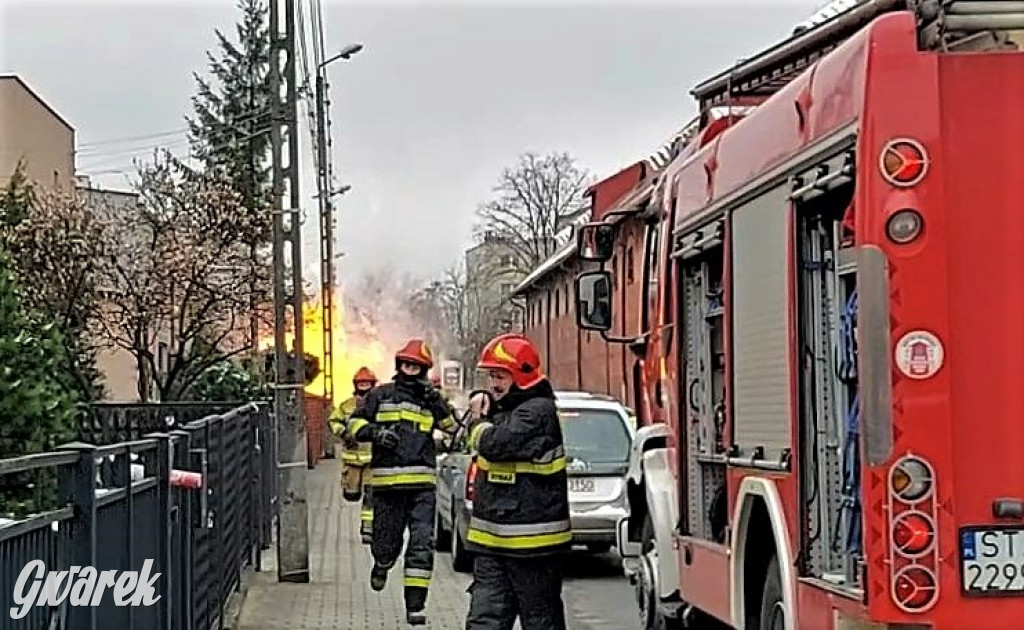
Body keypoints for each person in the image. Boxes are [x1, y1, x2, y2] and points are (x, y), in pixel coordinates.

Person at [463, 333, 570, 630]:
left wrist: (477, 422)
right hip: (492, 543)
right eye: (491, 377)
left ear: (522, 375)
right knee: (484, 620)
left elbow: (495, 443)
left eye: (500, 376)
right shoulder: (506, 410)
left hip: (533, 545)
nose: (494, 384)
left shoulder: (538, 412)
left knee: (540, 622)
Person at [346, 339, 457, 626]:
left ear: (422, 370)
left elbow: (453, 430)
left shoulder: (431, 401)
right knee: (386, 543)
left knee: (422, 545)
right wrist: (376, 433)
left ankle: (415, 606)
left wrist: (437, 402)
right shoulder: (380, 395)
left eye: (416, 366)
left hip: (422, 487)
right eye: (406, 364)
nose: (410, 369)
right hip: (387, 488)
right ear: (399, 365)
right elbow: (354, 425)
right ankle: (382, 564)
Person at [328, 367, 379, 543]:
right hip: (352, 460)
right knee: (351, 495)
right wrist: (343, 433)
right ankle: (351, 492)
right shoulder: (347, 405)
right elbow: (333, 421)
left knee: (371, 494)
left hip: (373, 460)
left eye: (367, 384)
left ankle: (368, 529)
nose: (364, 387)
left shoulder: (380, 404)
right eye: (361, 384)